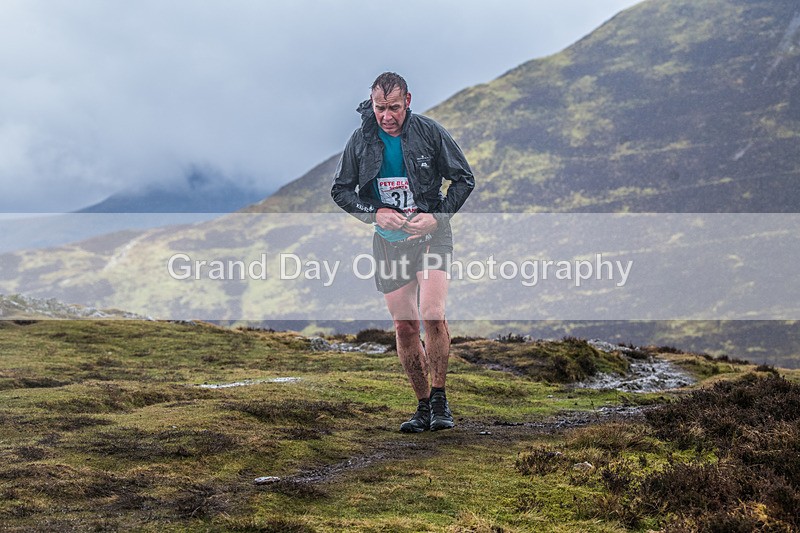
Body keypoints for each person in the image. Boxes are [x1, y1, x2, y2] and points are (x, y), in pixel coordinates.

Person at [331, 72, 475, 432]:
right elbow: (341, 190)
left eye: (394, 108)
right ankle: (422, 405)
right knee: (405, 326)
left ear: (407, 101)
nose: (387, 116)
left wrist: (436, 217)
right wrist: (374, 213)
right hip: (388, 243)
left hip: (431, 237)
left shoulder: (429, 132)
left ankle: (441, 399)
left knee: (432, 314)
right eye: (380, 108)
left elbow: (464, 179)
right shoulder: (361, 141)